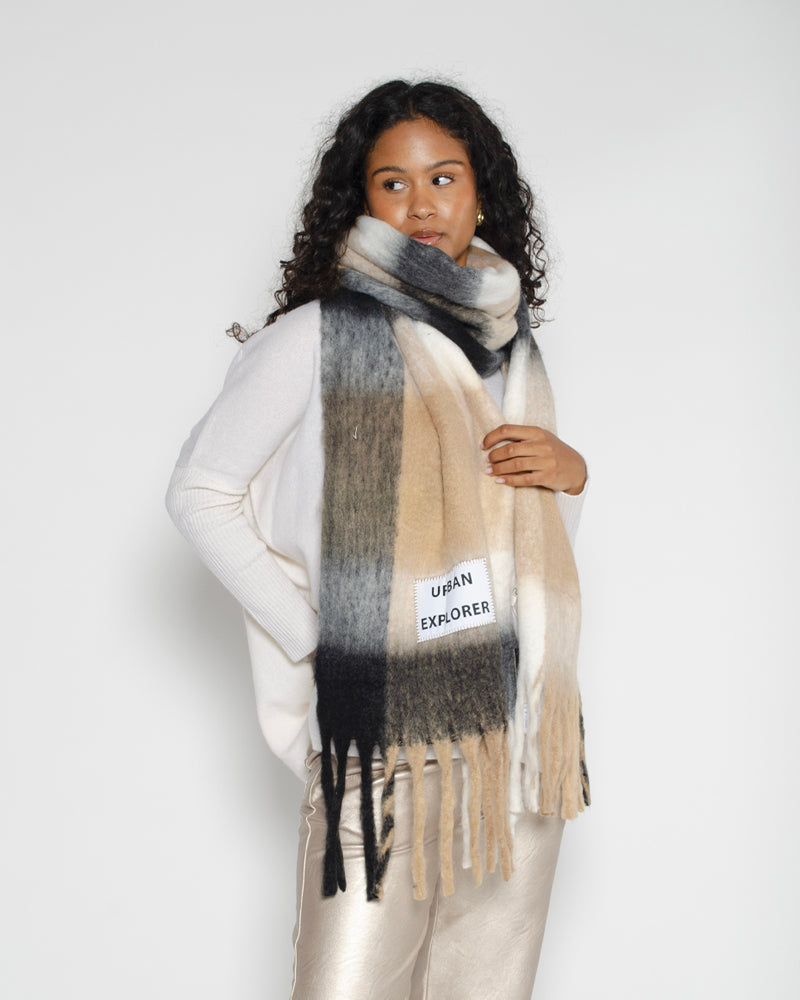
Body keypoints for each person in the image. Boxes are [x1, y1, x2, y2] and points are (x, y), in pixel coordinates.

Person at [166, 79, 590, 1000]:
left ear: (481, 192)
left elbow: (527, 550)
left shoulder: (512, 350)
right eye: (392, 183)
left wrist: (568, 476)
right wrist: (318, 634)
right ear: (360, 200)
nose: (422, 204)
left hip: (513, 745)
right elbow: (200, 492)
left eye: (444, 177)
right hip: (380, 746)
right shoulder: (315, 338)